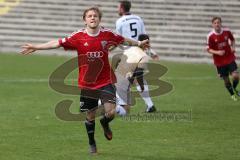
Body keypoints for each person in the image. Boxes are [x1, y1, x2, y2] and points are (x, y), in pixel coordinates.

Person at [20, 7, 149, 154]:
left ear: (99, 19)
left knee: (111, 112)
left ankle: (105, 123)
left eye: (95, 16)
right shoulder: (78, 37)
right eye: (89, 16)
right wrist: (37, 47)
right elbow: (57, 42)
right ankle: (92, 143)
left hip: (105, 80)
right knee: (90, 115)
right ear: (85, 19)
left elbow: (123, 39)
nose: (92, 18)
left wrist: (138, 44)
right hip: (87, 84)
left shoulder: (107, 34)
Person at [116, 0, 157, 112]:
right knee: (137, 79)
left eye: (118, 7)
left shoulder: (120, 21)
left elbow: (118, 40)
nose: (117, 9)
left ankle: (119, 106)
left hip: (130, 53)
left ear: (122, 8)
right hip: (140, 52)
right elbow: (145, 37)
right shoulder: (138, 19)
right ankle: (150, 105)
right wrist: (150, 51)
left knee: (120, 78)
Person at [115, 34, 152, 116]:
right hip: (123, 82)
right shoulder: (144, 56)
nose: (149, 45)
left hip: (116, 78)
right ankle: (102, 104)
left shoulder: (130, 49)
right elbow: (139, 73)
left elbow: (118, 60)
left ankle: (107, 104)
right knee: (125, 111)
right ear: (143, 43)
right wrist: (142, 86)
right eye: (148, 42)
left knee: (126, 109)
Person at [206, 16, 240, 101]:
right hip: (219, 62)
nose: (217, 24)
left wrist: (233, 47)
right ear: (212, 25)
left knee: (236, 76)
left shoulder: (227, 32)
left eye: (218, 22)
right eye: (215, 23)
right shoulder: (210, 36)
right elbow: (208, 49)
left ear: (221, 23)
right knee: (226, 80)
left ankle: (235, 88)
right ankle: (232, 94)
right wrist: (218, 52)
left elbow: (232, 40)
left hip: (229, 57)